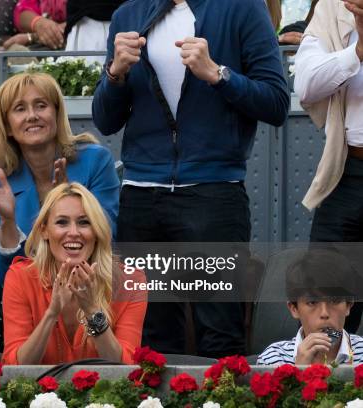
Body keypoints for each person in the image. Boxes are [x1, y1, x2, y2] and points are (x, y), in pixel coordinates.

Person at [93, 0, 289, 358]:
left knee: (220, 333)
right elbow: (106, 121)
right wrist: (114, 74)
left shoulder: (242, 8)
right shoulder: (127, 14)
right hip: (142, 195)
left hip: (213, 196)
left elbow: (277, 102)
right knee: (148, 336)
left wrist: (218, 74)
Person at [0, 72, 119, 285]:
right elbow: (6, 276)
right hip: (32, 296)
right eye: (20, 109)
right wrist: (8, 222)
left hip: (91, 286)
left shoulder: (95, 161)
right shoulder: (2, 180)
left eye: (41, 105)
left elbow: (108, 240)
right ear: (7, 126)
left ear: (56, 114)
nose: (32, 115)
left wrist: (66, 202)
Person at [2, 182, 146, 364]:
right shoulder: (20, 277)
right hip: (40, 391)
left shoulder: (131, 281)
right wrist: (52, 313)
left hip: (103, 391)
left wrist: (92, 311)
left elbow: (126, 368)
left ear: (96, 231)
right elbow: (15, 366)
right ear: (44, 230)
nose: (73, 232)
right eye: (62, 222)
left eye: (84, 222)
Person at [295, 0, 363, 334]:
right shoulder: (335, 8)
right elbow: (305, 85)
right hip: (348, 174)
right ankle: (322, 385)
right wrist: (357, 51)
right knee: (326, 308)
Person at [257, 249, 363, 365]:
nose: (324, 313)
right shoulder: (274, 358)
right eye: (312, 302)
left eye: (334, 301)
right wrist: (299, 370)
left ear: (348, 306)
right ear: (294, 309)